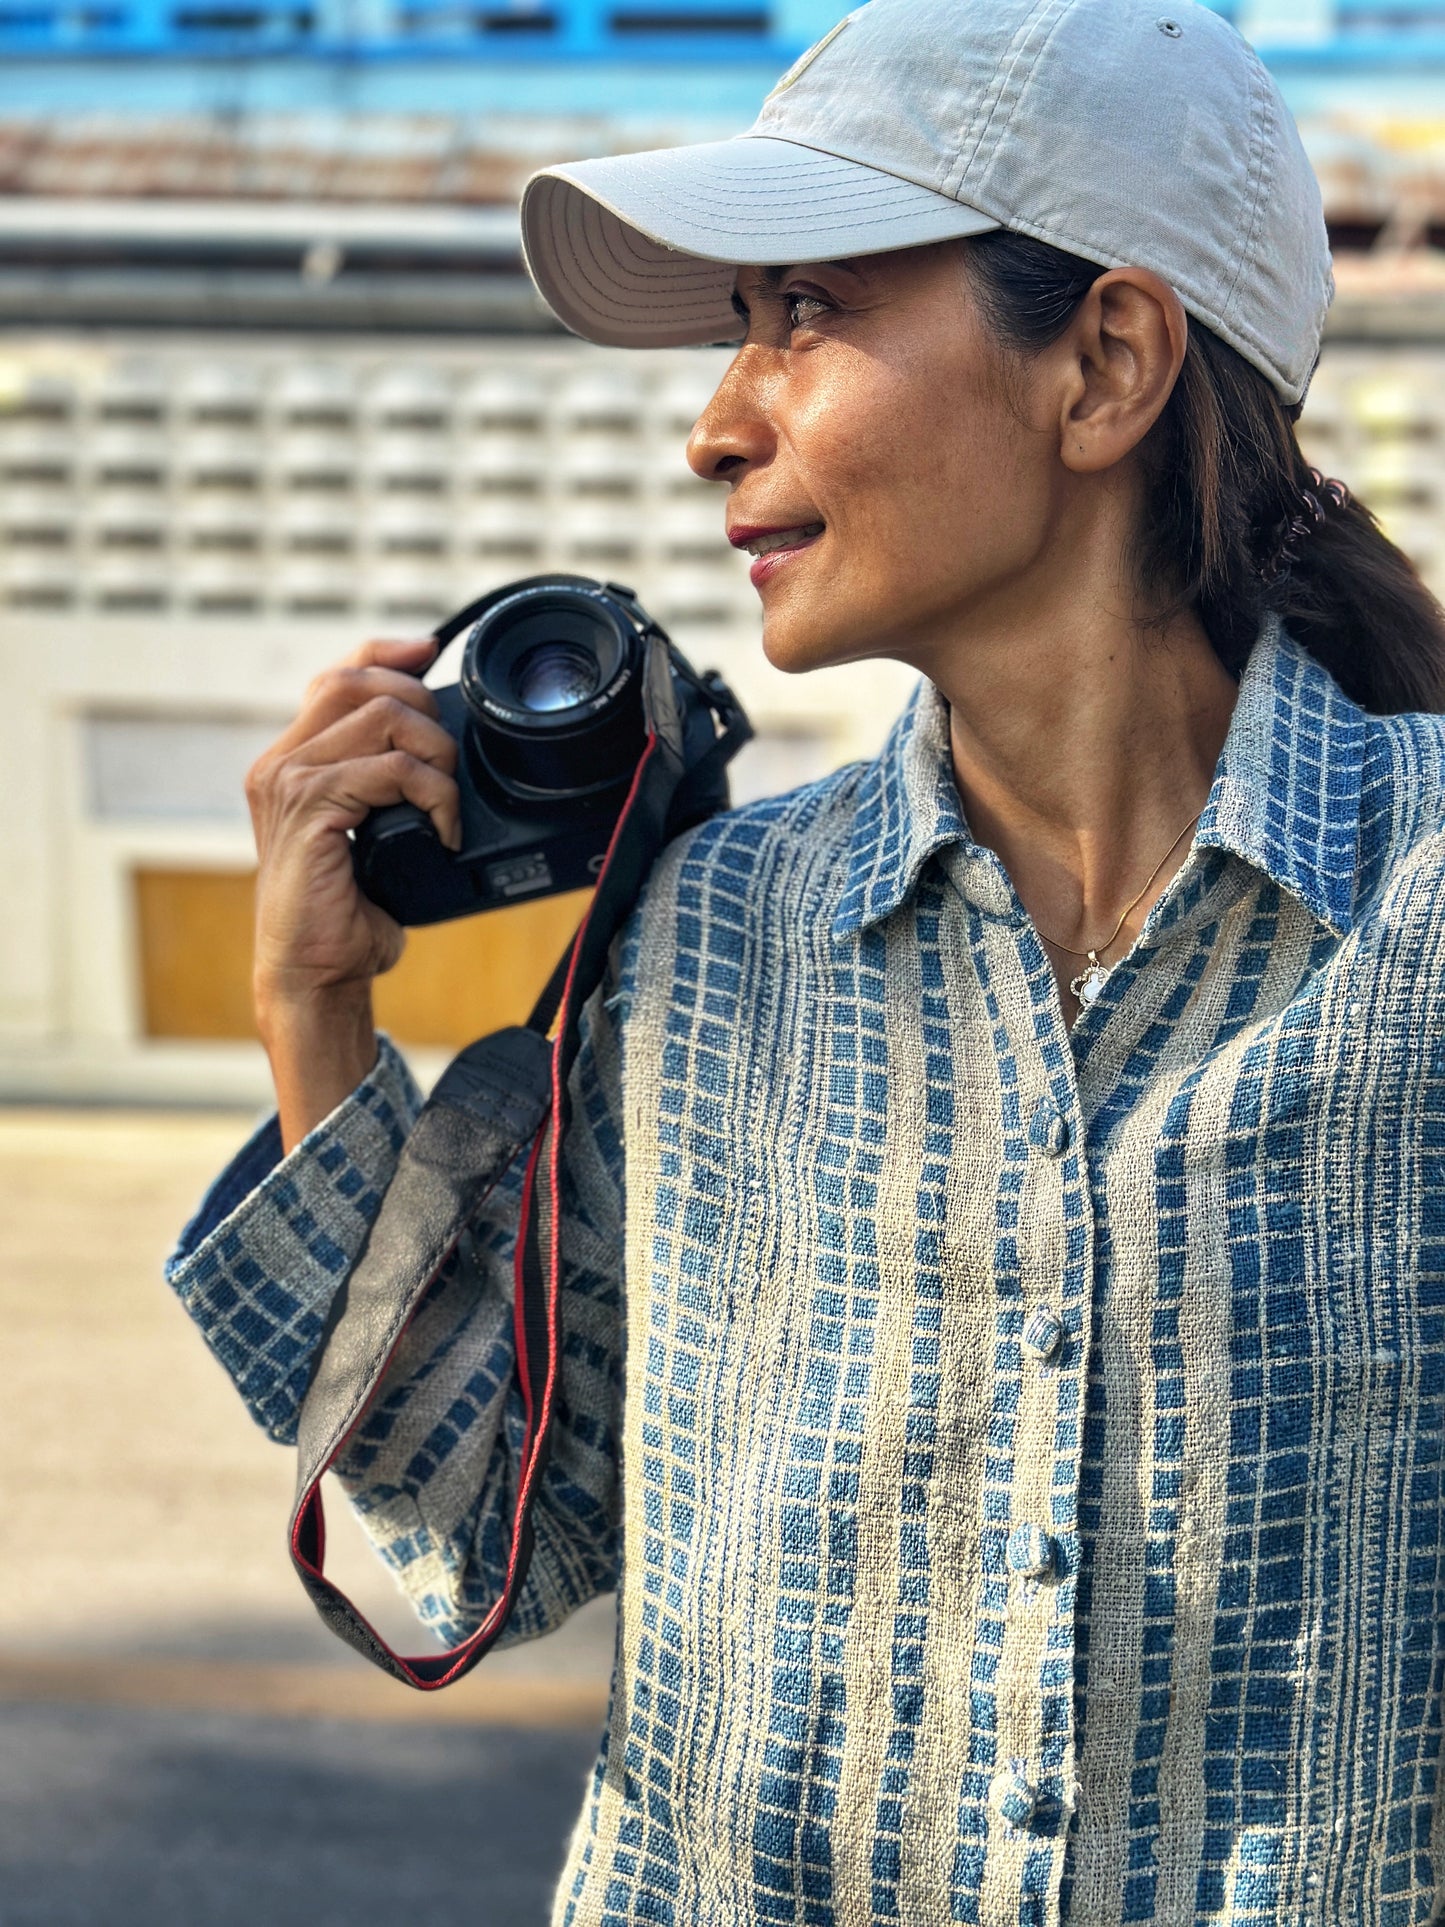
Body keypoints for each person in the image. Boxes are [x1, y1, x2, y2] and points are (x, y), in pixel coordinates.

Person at [167, 0, 1445, 1917]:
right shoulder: (706, 932)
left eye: (805, 313)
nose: (713, 422)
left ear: (1102, 364)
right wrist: (314, 1017)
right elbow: (495, 1514)